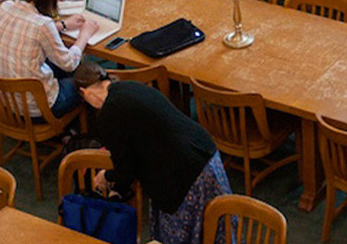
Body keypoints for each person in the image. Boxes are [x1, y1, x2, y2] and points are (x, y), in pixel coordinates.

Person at [74, 61, 230, 244]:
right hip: (205, 153)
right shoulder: (129, 86)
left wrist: (106, 176)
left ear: (84, 92)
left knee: (179, 238)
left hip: (182, 178)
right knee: (217, 229)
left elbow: (125, 169)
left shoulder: (109, 113)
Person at [0, 0, 99, 119]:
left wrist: (62, 25)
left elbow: (28, 27)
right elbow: (69, 63)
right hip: (38, 107)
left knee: (57, 64)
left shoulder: (5, 7)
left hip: (7, 99)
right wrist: (85, 34)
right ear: (50, 0)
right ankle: (78, 126)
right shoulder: (43, 25)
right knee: (85, 82)